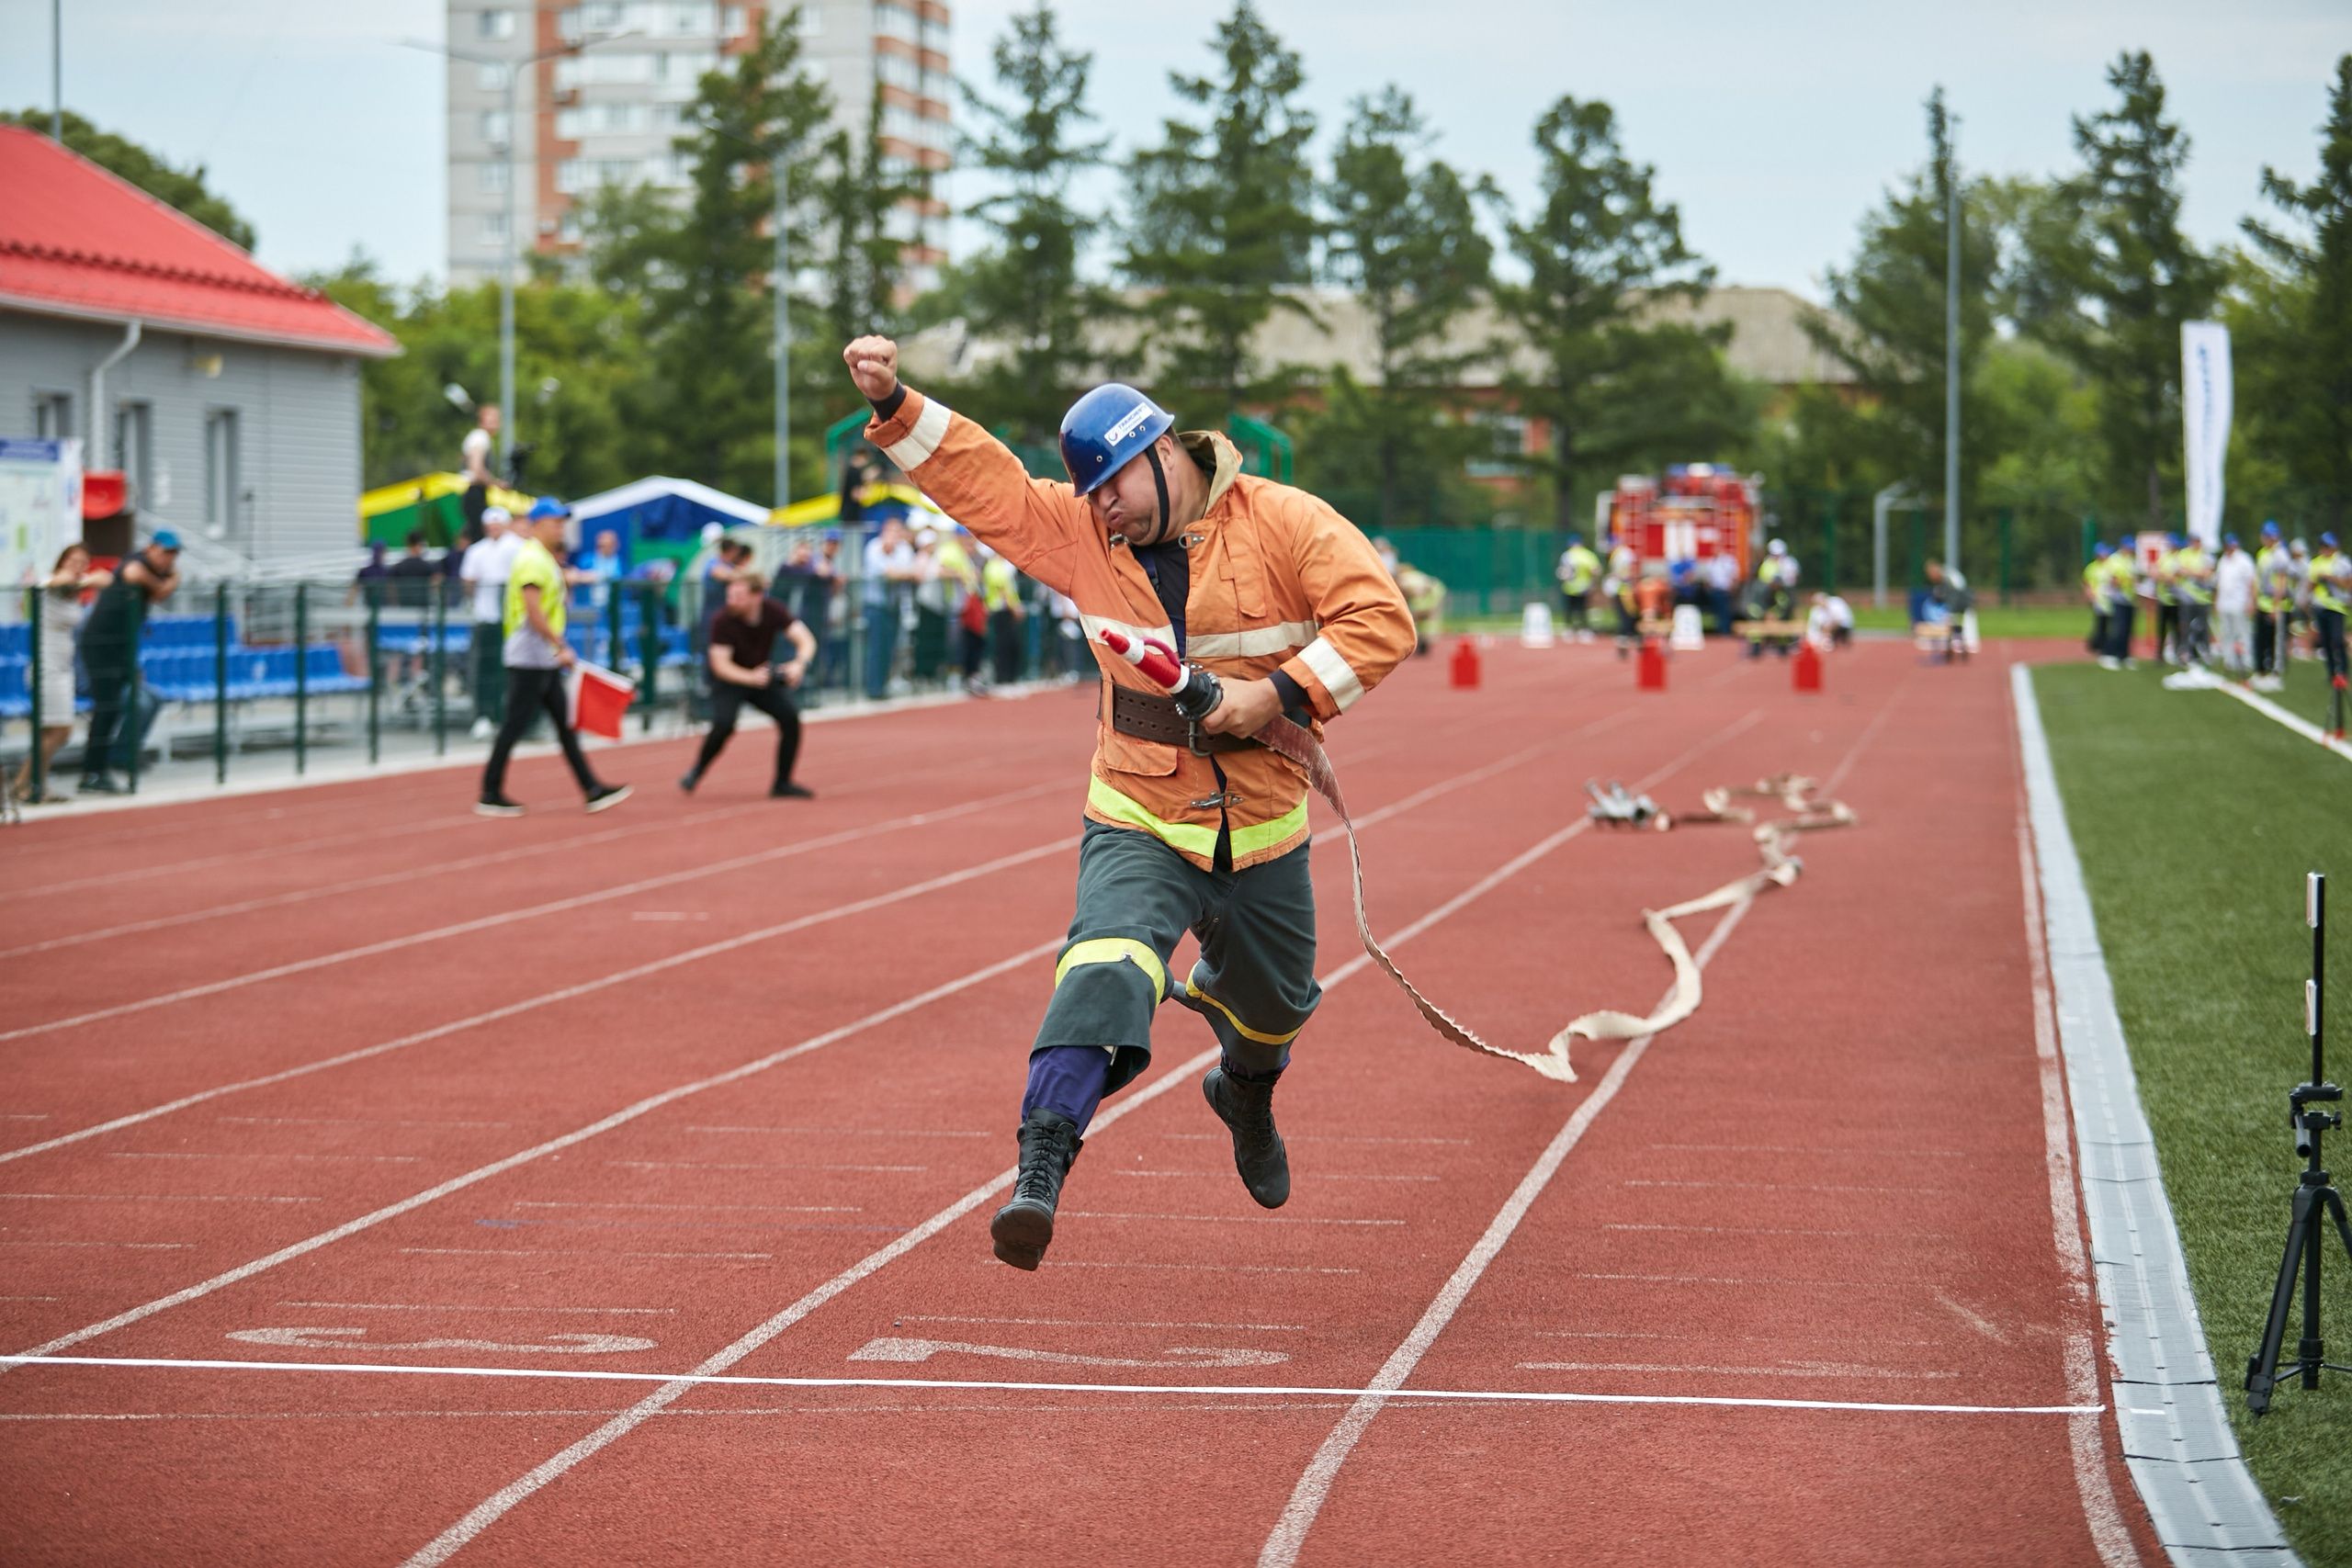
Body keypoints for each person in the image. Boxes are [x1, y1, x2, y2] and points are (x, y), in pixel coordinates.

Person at [841, 334, 1415, 1271]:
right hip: (1138, 813)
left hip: (1265, 825)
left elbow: (1381, 621)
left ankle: (1244, 1093)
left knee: (1273, 1013)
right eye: (1090, 493)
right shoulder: (1080, 532)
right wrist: (895, 402)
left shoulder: (1287, 521)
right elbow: (987, 484)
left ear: (1163, 450)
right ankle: (1041, 1163)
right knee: (1103, 965)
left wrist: (1272, 697)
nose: (1101, 508)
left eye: (1112, 485)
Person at [477, 499, 629, 817]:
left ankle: (591, 787)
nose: (561, 528)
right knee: (516, 723)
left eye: (562, 522)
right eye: (555, 522)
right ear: (538, 524)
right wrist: (560, 645)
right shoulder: (532, 559)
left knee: (562, 724)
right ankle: (490, 791)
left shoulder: (541, 558)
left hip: (539, 654)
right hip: (529, 653)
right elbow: (533, 610)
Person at [680, 570, 816, 797]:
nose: (732, 601)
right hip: (729, 681)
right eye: (730, 596)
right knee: (724, 725)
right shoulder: (722, 620)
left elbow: (806, 639)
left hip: (759, 677)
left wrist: (799, 664)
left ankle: (782, 783)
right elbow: (721, 665)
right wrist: (750, 677)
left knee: (790, 718)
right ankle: (697, 770)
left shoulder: (773, 610)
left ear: (757, 596)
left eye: (739, 597)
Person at [77, 530, 180, 794]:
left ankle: (120, 756)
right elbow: (136, 576)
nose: (169, 559)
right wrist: (169, 581)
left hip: (122, 650)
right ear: (151, 549)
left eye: (173, 554)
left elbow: (158, 592)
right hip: (101, 647)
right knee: (108, 708)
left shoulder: (156, 571)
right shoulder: (137, 563)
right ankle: (92, 771)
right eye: (165, 552)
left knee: (149, 700)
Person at [15, 542, 108, 803]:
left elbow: (106, 578)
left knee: (51, 733)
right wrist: (80, 578)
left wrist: (83, 579)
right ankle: (22, 783)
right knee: (59, 732)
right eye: (73, 561)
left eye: (83, 563)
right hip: (46, 667)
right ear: (62, 561)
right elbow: (62, 579)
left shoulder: (74, 592)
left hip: (64, 668)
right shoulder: (51, 583)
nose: (78, 567)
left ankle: (37, 786)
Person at [460, 505, 521, 737]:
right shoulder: (477, 550)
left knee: (512, 669)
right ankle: (485, 715)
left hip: (512, 621)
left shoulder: (517, 546)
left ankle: (510, 715)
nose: (494, 528)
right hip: (486, 618)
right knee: (485, 668)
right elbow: (468, 580)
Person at [861, 514, 919, 699]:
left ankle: (884, 685)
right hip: (876, 605)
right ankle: (874, 688)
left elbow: (914, 572)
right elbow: (887, 573)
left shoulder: (904, 549)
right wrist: (901, 573)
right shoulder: (873, 547)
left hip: (894, 605)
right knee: (876, 647)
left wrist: (900, 573)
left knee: (890, 648)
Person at [2312, 532, 2349, 737]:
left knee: (2337, 640)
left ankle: (2343, 671)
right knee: (2325, 642)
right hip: (2321, 607)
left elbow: (2348, 583)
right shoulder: (2316, 563)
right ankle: (2331, 672)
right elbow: (2311, 582)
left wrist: (2331, 579)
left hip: (2337, 607)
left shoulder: (2342, 562)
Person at [2254, 522, 2295, 689]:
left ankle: (2275, 673)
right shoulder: (2262, 553)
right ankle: (2260, 671)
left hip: (2275, 604)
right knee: (2260, 639)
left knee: (2275, 642)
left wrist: (2275, 606)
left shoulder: (2280, 555)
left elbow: (2281, 582)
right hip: (2263, 603)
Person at [2213, 534, 2256, 676]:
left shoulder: (2244, 560)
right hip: (2225, 602)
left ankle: (2246, 659)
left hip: (2239, 601)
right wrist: (2216, 600)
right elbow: (2219, 583)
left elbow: (2251, 582)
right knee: (2226, 632)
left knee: (2242, 631)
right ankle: (2229, 659)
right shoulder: (2223, 561)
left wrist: (2251, 601)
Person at [983, 544, 1026, 686]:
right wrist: (1014, 608)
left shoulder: (999, 566)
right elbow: (1002, 590)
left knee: (1008, 644)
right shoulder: (994, 566)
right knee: (1004, 645)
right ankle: (1003, 677)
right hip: (1001, 610)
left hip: (1004, 610)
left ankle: (1008, 676)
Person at [2169, 534, 2214, 666]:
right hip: (2187, 597)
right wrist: (2196, 573)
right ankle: (2185, 652)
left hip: (2202, 598)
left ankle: (2202, 651)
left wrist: (2190, 572)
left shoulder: (2206, 555)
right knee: (2185, 626)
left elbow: (2206, 573)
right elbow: (2179, 570)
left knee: (2202, 627)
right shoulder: (2183, 554)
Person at [459, 405, 502, 547]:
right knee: (478, 537)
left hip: (474, 492)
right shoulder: (481, 437)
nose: (494, 423)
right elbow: (476, 469)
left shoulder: (479, 437)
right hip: (475, 491)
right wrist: (495, 483)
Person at [1555, 533, 1599, 640]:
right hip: (1583, 586)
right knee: (1582, 609)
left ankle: (1569, 629)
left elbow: (1562, 572)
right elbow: (1595, 570)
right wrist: (1593, 583)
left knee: (1569, 609)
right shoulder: (1587, 554)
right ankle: (1583, 629)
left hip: (1569, 587)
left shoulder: (1567, 555)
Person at [1603, 535, 1639, 656]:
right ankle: (1630, 638)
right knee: (1626, 615)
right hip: (1622, 589)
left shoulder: (1622, 554)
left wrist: (1614, 580)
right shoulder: (1621, 553)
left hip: (1625, 590)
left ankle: (1627, 638)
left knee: (1626, 615)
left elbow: (1625, 572)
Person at [2084, 542, 2114, 658]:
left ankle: (2106, 645)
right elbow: (2087, 583)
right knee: (2101, 623)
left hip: (2110, 598)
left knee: (2112, 624)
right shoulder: (2092, 568)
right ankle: (2099, 645)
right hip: (2099, 599)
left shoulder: (2109, 565)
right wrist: (2091, 596)